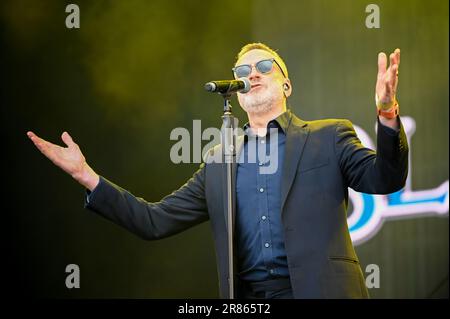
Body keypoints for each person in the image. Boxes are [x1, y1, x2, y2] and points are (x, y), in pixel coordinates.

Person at [27, 43, 408, 299]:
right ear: (237, 91)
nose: (252, 73)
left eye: (263, 67)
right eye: (243, 70)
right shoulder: (218, 160)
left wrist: (387, 111)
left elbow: (385, 178)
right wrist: (88, 176)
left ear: (286, 84)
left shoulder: (329, 136)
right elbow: (153, 220)